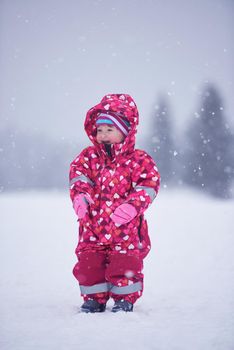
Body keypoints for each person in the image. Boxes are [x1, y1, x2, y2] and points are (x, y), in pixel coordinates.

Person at [69, 94, 160, 313]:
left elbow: (148, 186)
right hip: (92, 225)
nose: (103, 135)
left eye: (110, 129)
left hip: (125, 228)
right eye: (99, 130)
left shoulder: (138, 160)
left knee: (125, 263)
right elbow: (79, 177)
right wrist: (80, 197)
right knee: (89, 263)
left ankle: (124, 299)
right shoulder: (89, 157)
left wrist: (132, 206)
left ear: (125, 132)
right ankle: (93, 298)